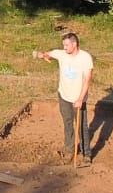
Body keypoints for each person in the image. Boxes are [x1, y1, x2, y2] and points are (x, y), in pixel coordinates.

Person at [33, 32, 94, 164]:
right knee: (67, 123)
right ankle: (69, 150)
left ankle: (86, 153)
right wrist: (40, 55)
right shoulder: (61, 54)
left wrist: (80, 99)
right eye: (63, 45)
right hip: (64, 96)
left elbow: (87, 81)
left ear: (74, 44)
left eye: (66, 45)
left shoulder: (85, 58)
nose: (64, 48)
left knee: (81, 126)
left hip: (78, 98)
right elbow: (48, 54)